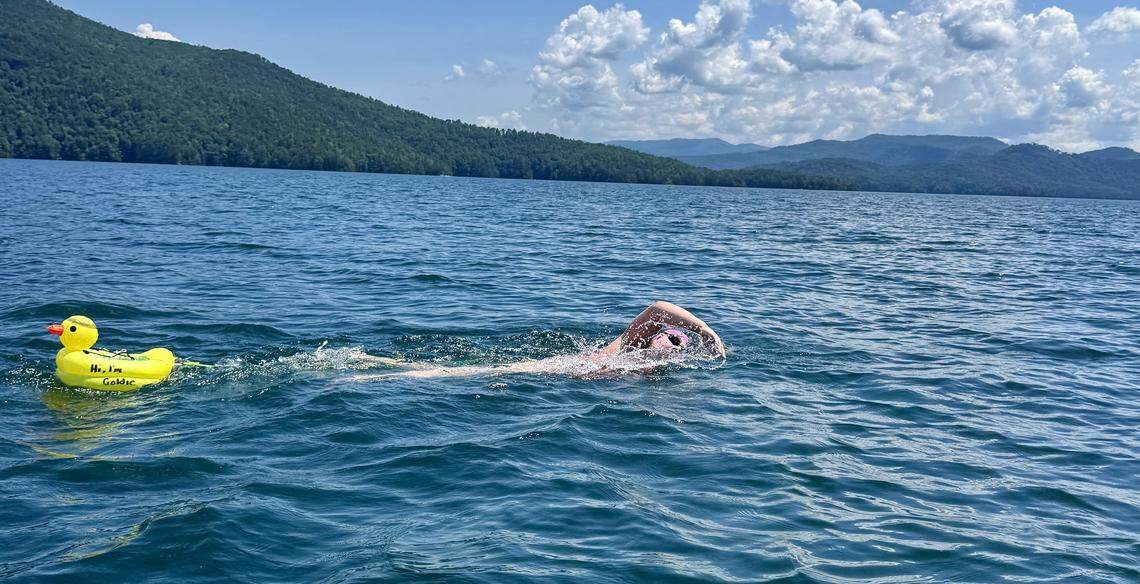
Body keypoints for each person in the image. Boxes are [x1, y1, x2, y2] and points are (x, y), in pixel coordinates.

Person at [347, 301, 724, 380]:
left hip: (564, 381)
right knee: (461, 373)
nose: (672, 345)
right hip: (566, 369)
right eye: (671, 338)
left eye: (679, 345)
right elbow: (658, 306)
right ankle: (366, 375)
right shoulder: (634, 346)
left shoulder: (652, 371)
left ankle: (376, 368)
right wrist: (703, 330)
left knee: (464, 372)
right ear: (660, 336)